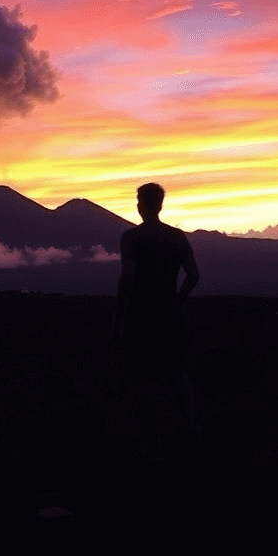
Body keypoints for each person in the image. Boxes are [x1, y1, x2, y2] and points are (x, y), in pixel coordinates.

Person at [112, 182, 201, 455]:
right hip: (169, 314)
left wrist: (119, 318)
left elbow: (128, 278)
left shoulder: (132, 238)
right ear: (160, 205)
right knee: (177, 373)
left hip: (142, 315)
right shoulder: (177, 237)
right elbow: (194, 275)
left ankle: (155, 444)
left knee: (143, 378)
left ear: (141, 205)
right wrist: (177, 299)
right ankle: (191, 431)